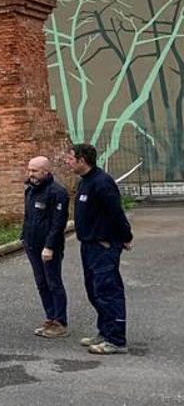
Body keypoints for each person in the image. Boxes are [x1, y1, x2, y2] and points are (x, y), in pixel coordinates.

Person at [65, 143, 134, 355]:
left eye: (70, 158)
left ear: (82, 160)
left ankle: (116, 340)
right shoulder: (85, 182)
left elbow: (116, 212)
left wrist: (125, 237)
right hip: (89, 245)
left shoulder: (102, 183)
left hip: (103, 246)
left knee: (108, 291)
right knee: (94, 291)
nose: (67, 162)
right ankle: (104, 331)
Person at [22, 156, 69, 338]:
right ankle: (50, 317)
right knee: (41, 283)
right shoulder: (31, 190)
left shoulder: (58, 192)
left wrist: (49, 246)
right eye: (29, 170)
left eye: (34, 170)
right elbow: (28, 217)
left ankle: (60, 321)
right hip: (31, 244)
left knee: (53, 282)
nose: (30, 174)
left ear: (45, 171)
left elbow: (58, 224)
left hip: (49, 248)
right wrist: (23, 237)